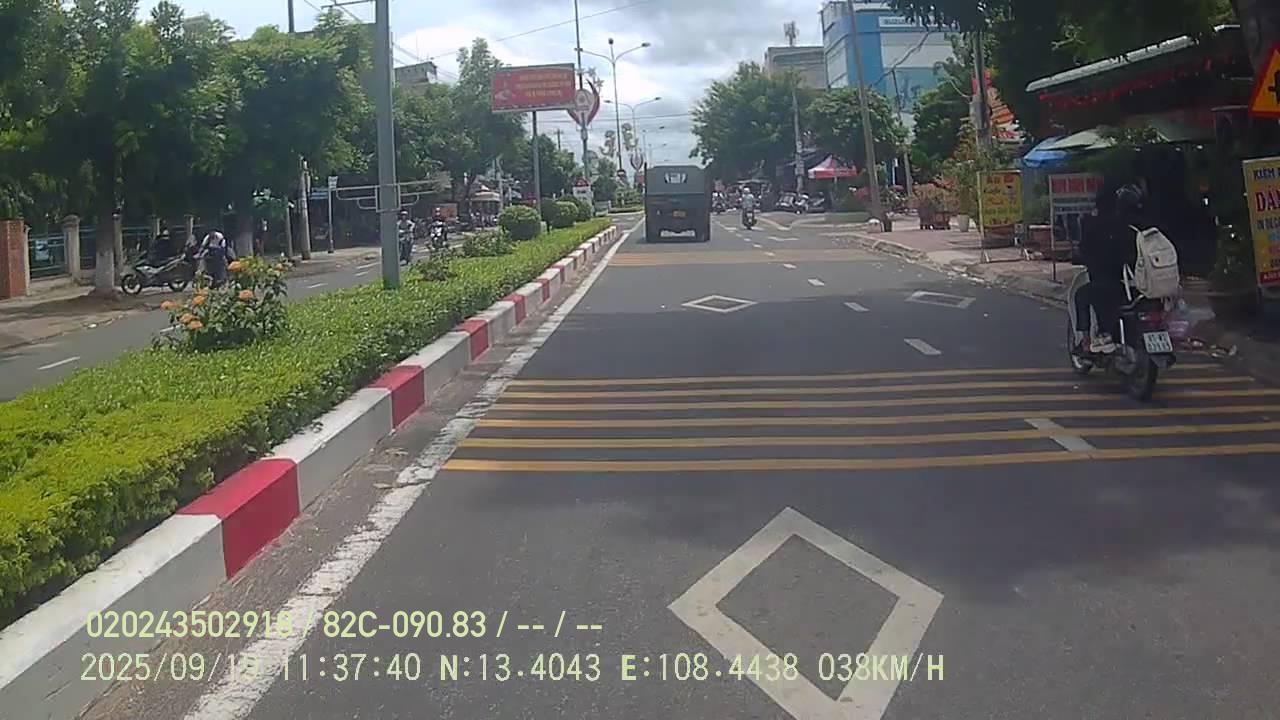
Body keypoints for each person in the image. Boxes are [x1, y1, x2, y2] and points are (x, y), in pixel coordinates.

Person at [1078, 182, 1145, 353]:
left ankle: (1086, 341)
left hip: (1111, 283)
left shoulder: (1096, 226)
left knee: (1081, 296)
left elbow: (1085, 250)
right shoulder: (1135, 226)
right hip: (1138, 284)